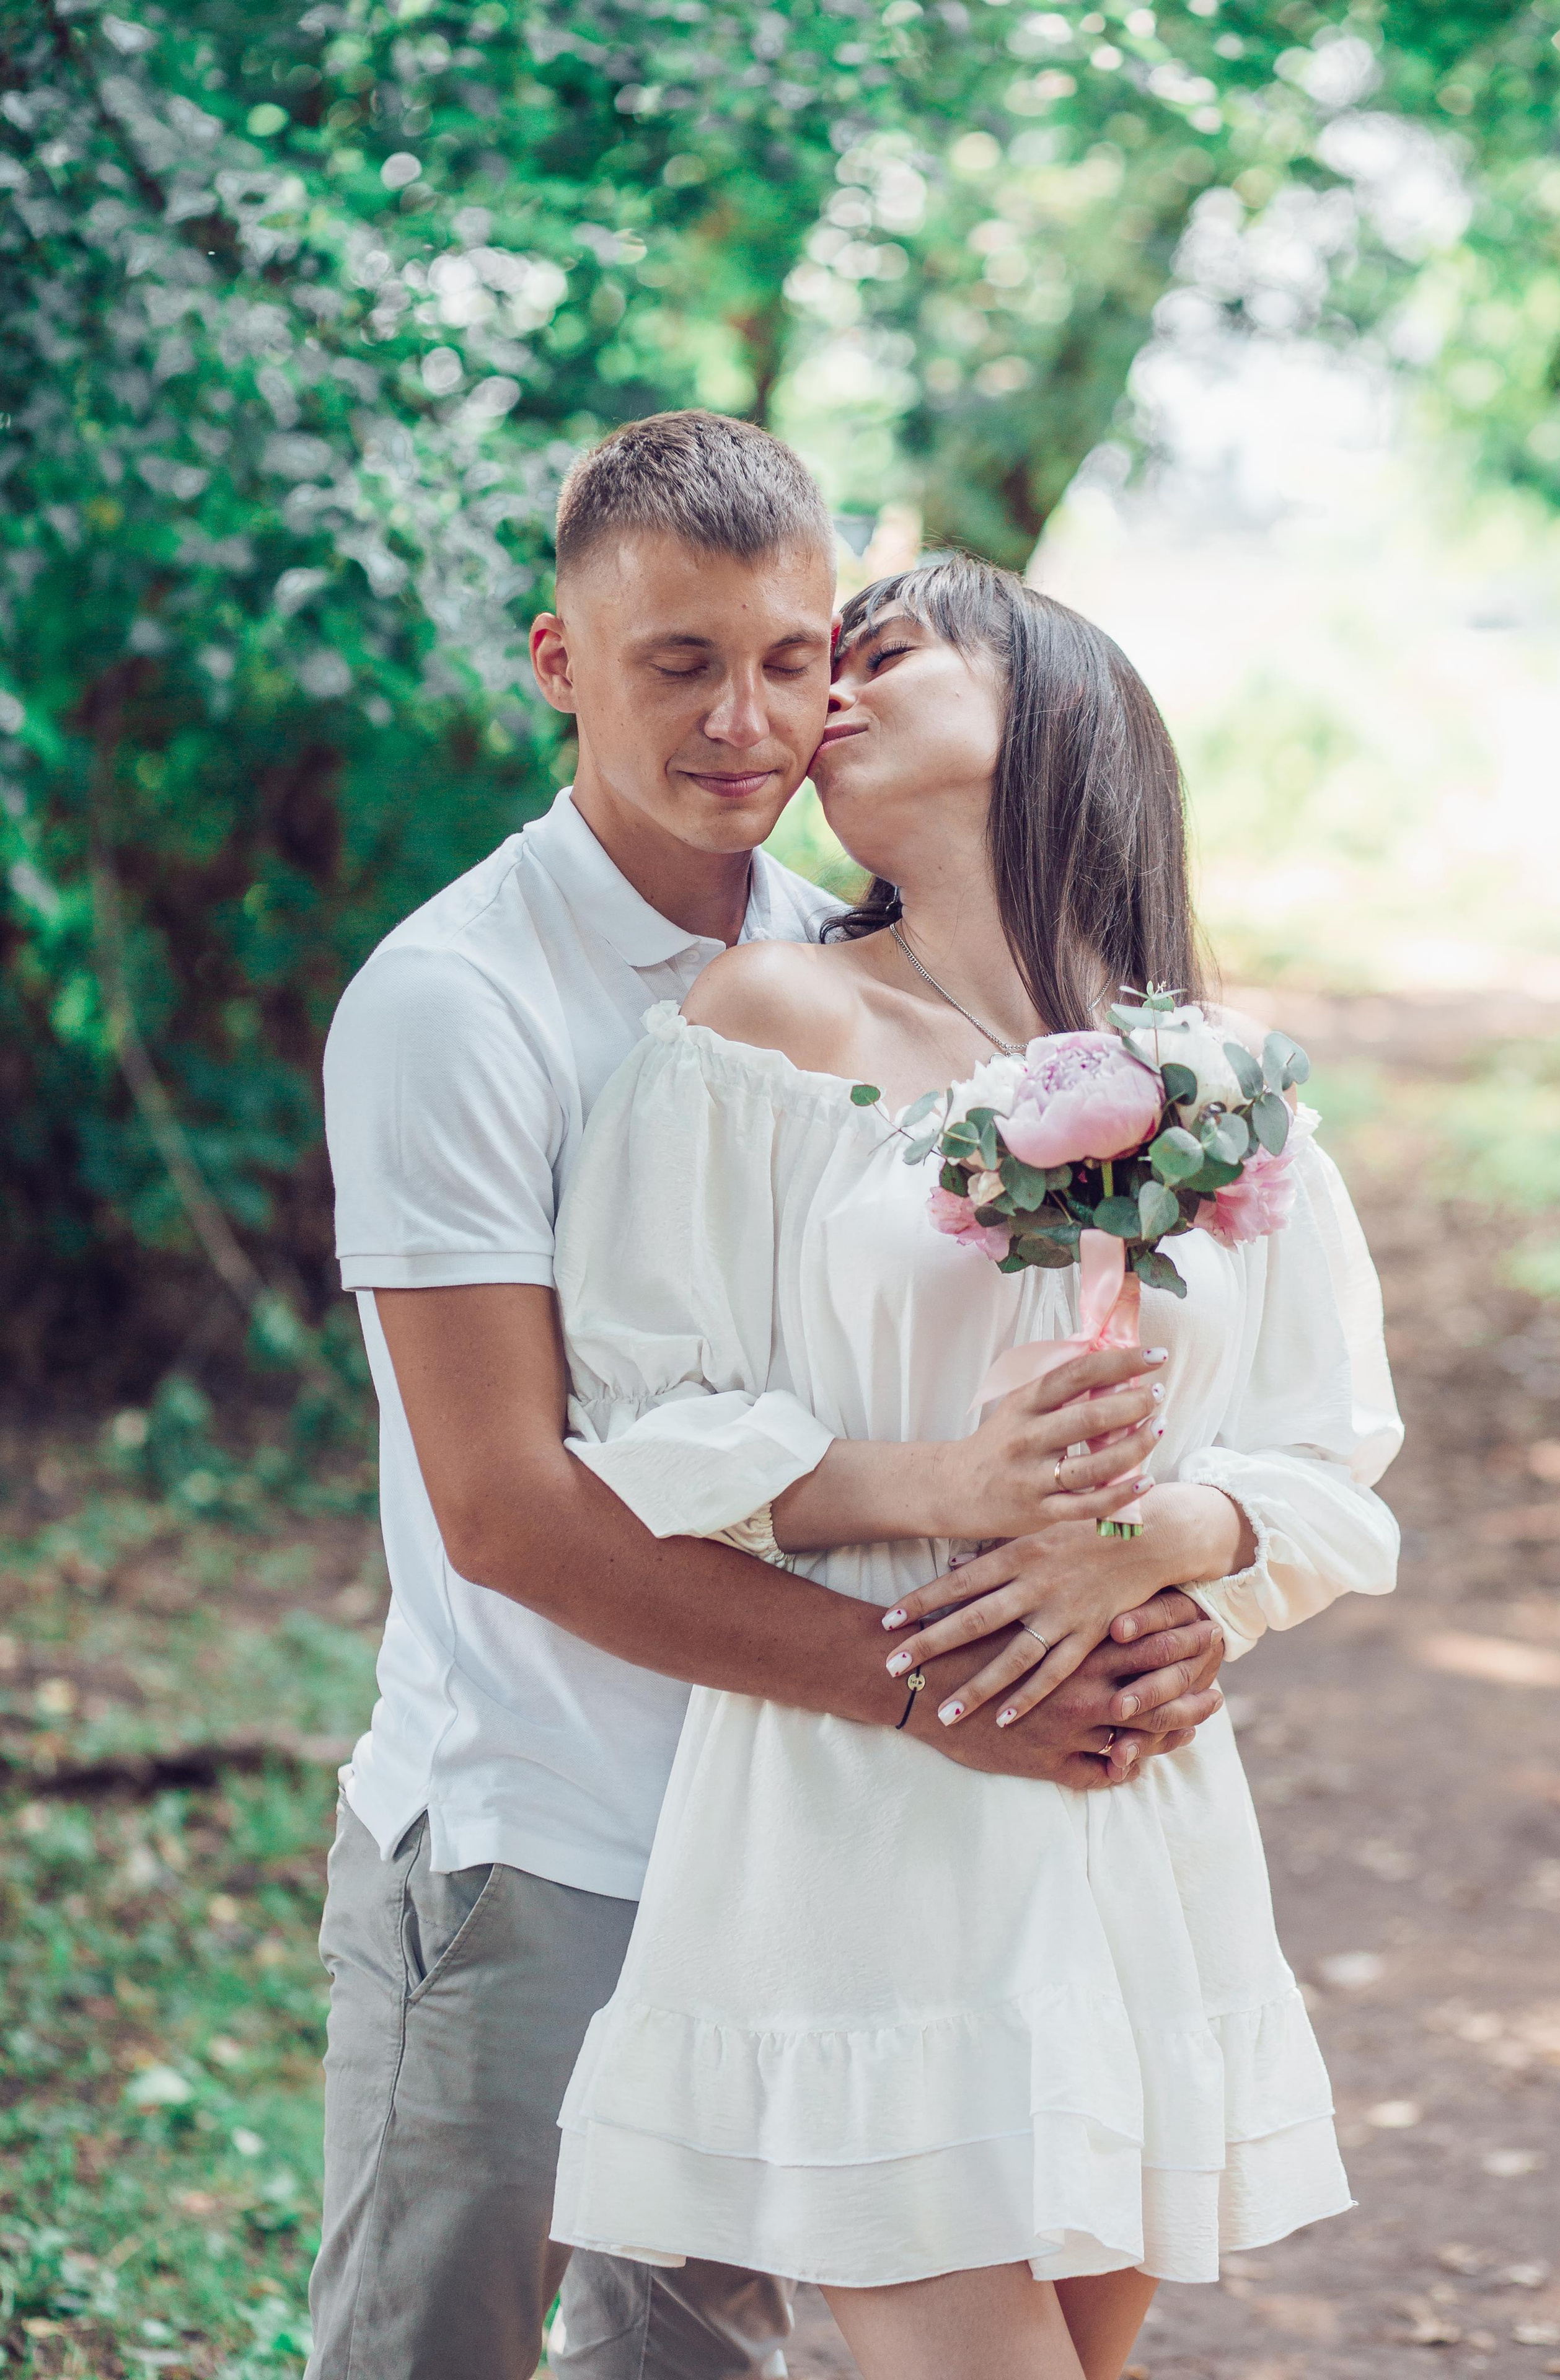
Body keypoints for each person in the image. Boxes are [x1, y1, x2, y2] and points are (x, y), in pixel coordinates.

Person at [312, 413, 1227, 2380]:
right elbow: (510, 1508)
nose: (746, 722)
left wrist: (1155, 1621)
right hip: (537, 1840)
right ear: (561, 663)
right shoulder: (451, 1003)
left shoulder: (866, 965)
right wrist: (942, 1691)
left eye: (794, 658)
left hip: (809, 1865)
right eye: (678, 663)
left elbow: (1000, 1403)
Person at [546, 552, 1403, 2380]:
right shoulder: (762, 1026)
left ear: (1048, 705)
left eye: (887, 652)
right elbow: (636, 1430)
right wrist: (949, 1488)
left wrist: (1174, 1547)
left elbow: (1333, 1455)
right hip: (864, 1792)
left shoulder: (1225, 1079)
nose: (821, 691)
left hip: (1120, 1799)